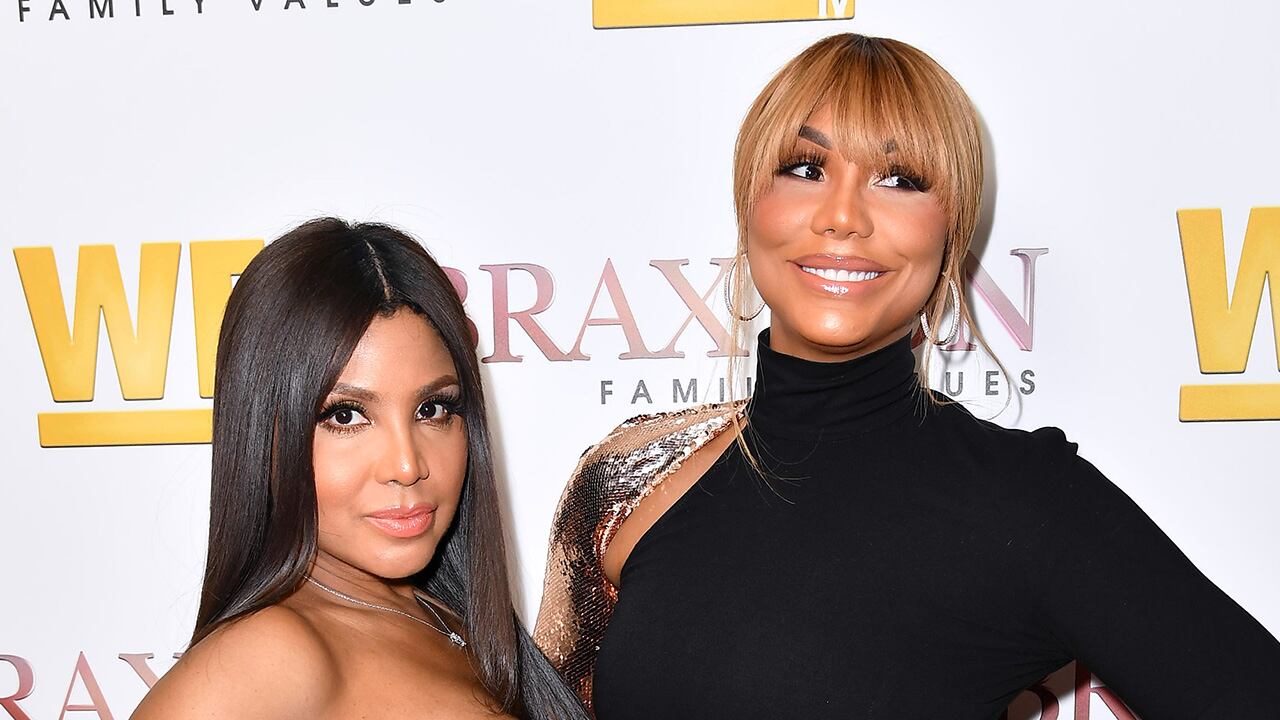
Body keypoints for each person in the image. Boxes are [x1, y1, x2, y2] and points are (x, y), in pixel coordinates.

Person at [533, 34, 1280, 719]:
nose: (843, 216)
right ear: (749, 204)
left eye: (899, 179)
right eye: (805, 168)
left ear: (951, 231)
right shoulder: (626, 480)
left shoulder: (1027, 502)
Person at [133, 218, 586, 720]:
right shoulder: (268, 656)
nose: (407, 465)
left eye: (432, 409)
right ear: (267, 434)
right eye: (346, 416)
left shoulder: (446, 617)